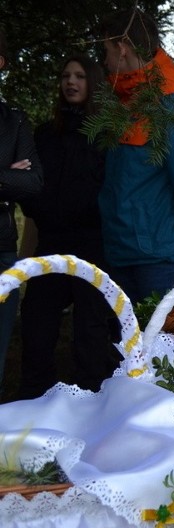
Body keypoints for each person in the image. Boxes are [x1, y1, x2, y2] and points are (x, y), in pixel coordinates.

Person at [18, 54, 119, 399]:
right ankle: (34, 404)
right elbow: (29, 182)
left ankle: (94, 404)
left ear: (93, 83)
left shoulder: (107, 135)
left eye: (79, 76)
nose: (70, 82)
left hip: (93, 244)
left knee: (91, 332)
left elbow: (111, 188)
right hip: (50, 241)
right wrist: (38, 206)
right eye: (65, 75)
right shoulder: (46, 134)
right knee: (36, 324)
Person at [98, 8, 174, 304]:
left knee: (165, 348)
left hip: (162, 262)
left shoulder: (168, 103)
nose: (104, 60)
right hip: (123, 254)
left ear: (122, 48)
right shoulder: (125, 102)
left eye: (106, 50)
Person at [0, 28, 43, 391]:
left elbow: (31, 183)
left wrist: (13, 181)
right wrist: (4, 177)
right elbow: (14, 181)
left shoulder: (13, 121)